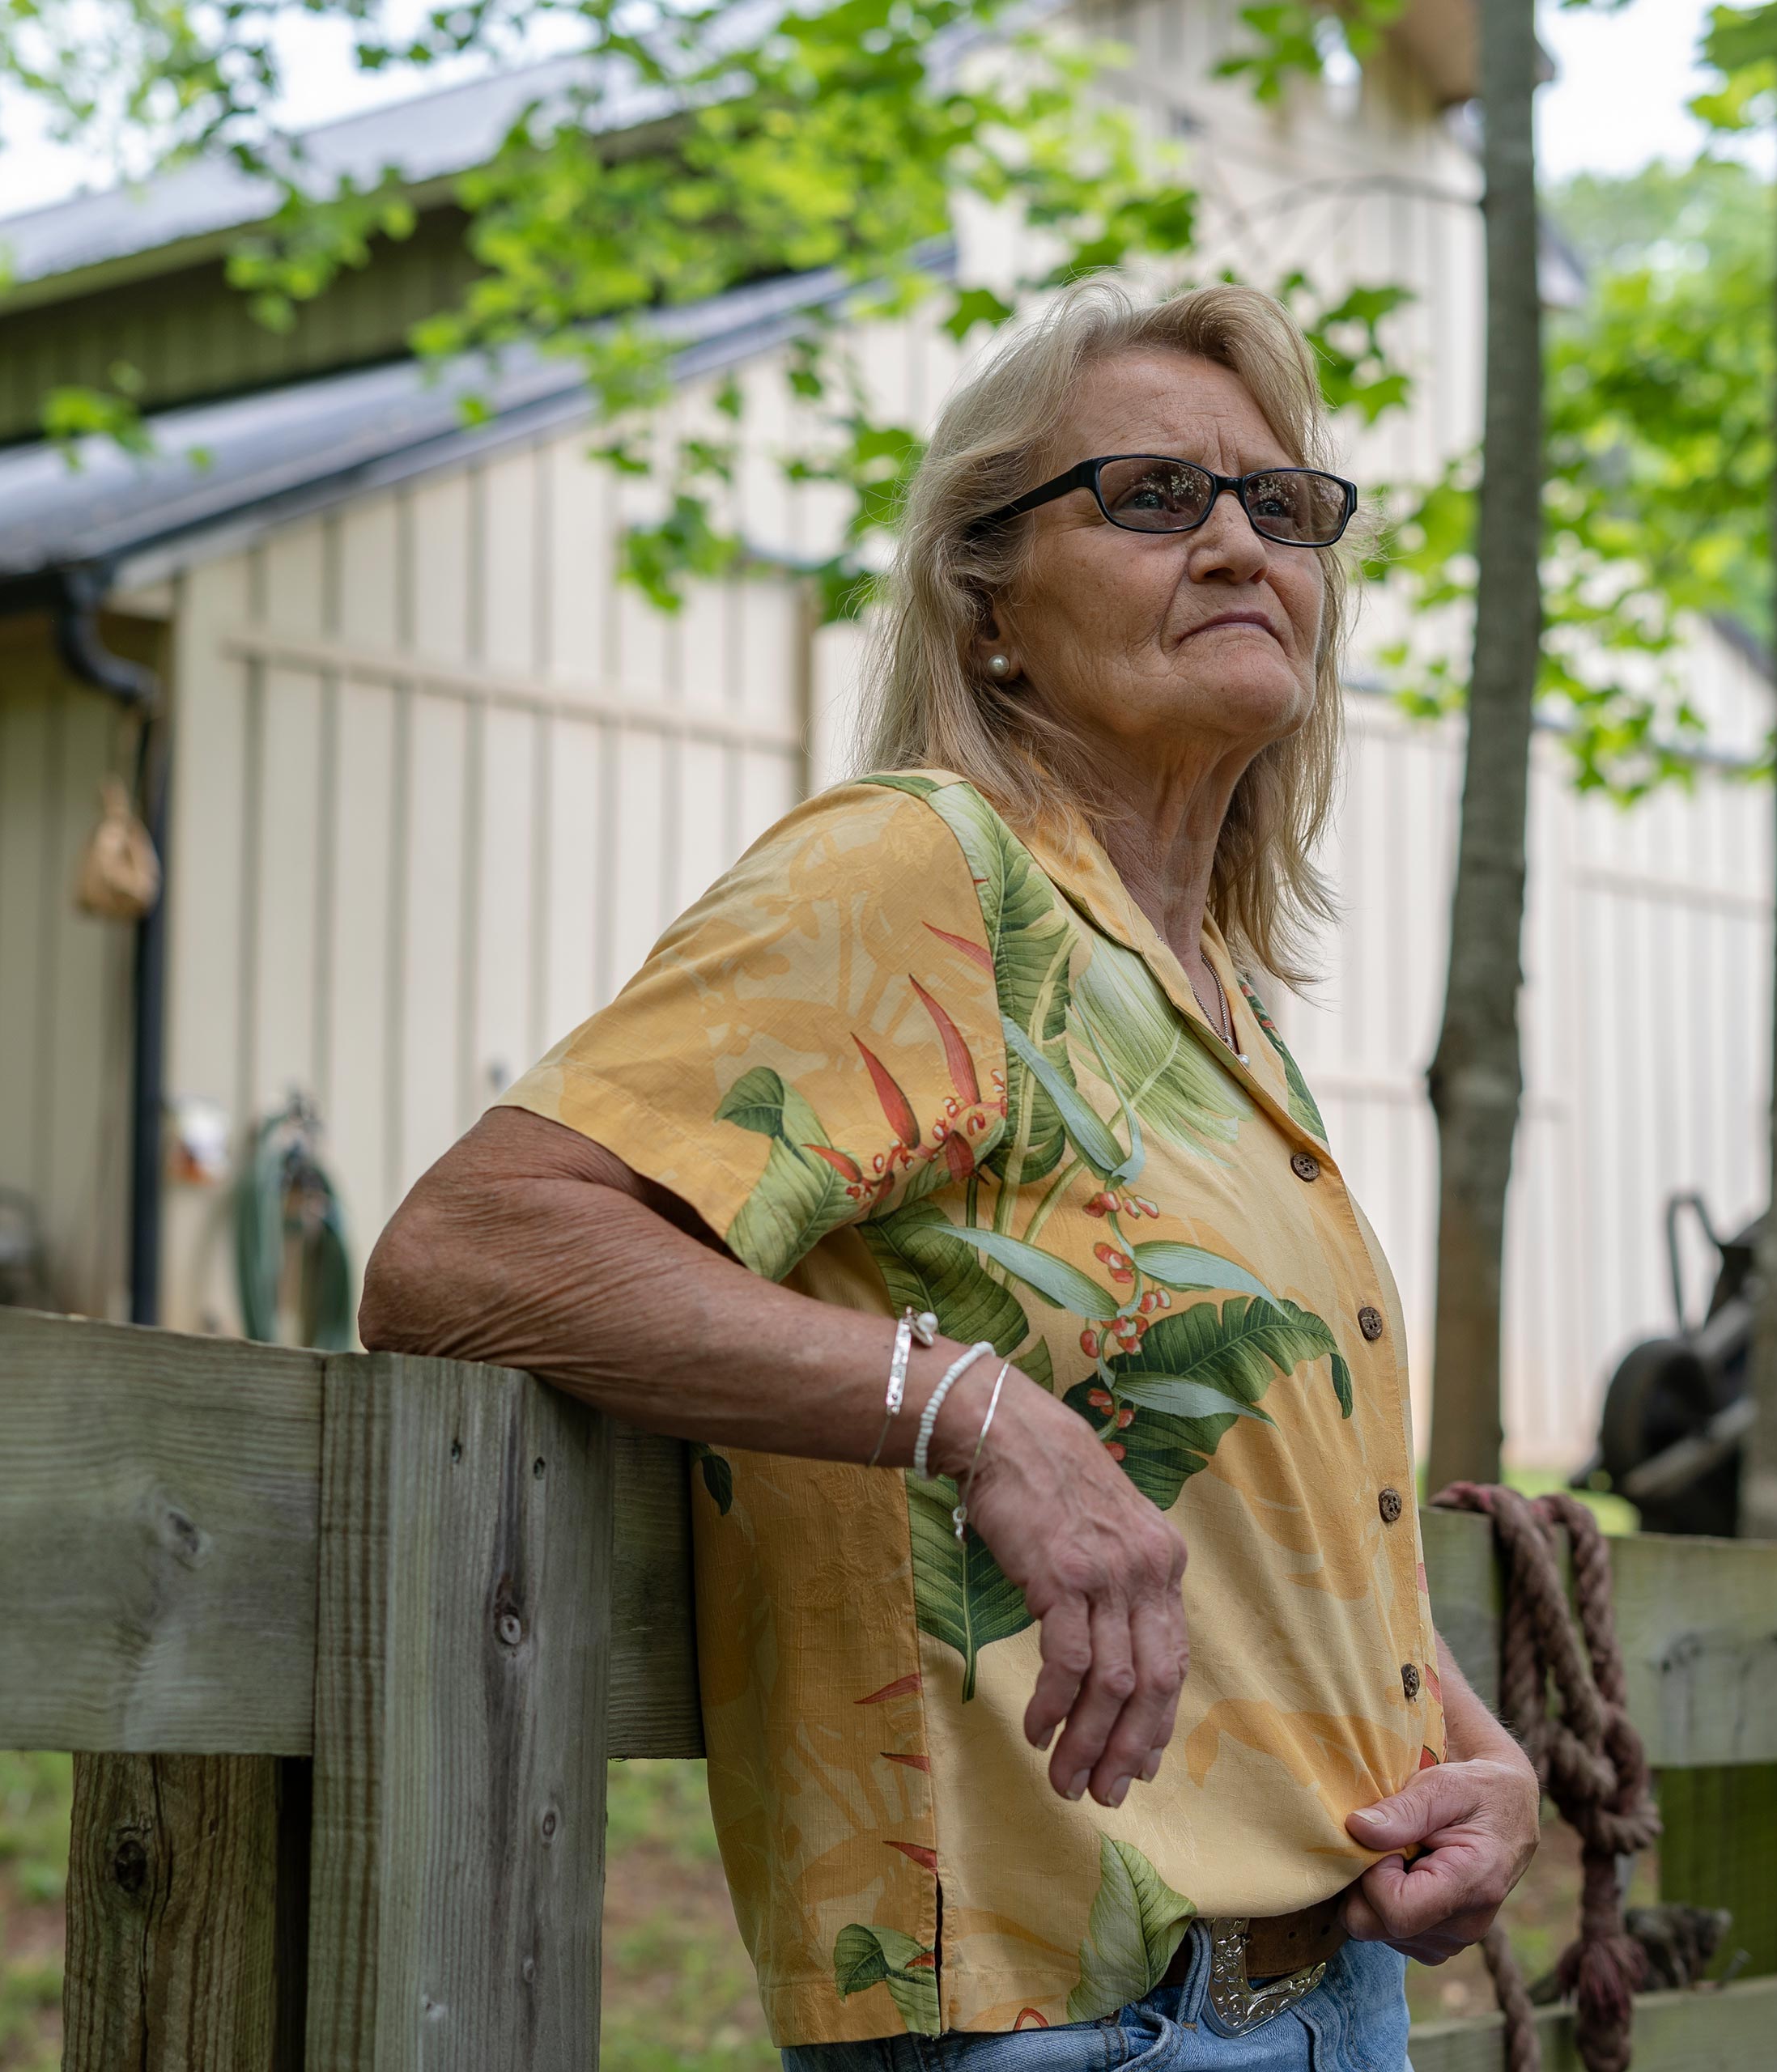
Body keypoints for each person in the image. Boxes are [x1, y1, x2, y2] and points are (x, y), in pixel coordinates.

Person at [359, 280, 1539, 2066]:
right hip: (1064, 2020)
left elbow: (1234, 1490)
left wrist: (1469, 1747)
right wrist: (981, 1413)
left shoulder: (1199, 992)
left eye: (1282, 505)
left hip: (1331, 1998)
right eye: (1153, 496)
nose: (1237, 540)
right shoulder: (926, 871)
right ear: (988, 608)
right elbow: (468, 1249)